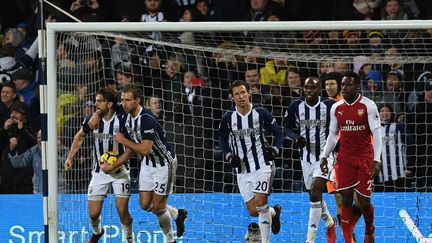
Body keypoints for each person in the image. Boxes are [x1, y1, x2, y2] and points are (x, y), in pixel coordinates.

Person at [101, 85, 187, 242]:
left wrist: (123, 140)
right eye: (122, 100)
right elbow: (130, 151)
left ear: (137, 100)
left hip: (164, 164)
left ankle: (170, 239)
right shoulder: (124, 114)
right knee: (145, 205)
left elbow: (145, 149)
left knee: (159, 207)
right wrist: (112, 166)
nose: (124, 103)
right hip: (147, 164)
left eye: (127, 100)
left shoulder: (147, 119)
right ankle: (176, 214)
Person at [63, 88, 134, 243]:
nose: (96, 103)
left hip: (120, 171)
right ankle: (98, 231)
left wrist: (116, 164)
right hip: (99, 172)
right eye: (96, 100)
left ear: (109, 104)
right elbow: (79, 136)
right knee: (93, 214)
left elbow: (131, 148)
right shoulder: (92, 120)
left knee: (122, 210)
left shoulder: (123, 119)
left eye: (99, 101)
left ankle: (129, 239)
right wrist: (70, 157)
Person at [320, 71, 382, 242]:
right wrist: (324, 156)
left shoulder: (368, 106)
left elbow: (377, 135)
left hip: (364, 158)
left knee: (362, 202)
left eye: (348, 84)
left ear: (357, 86)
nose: (344, 88)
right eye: (343, 85)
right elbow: (333, 135)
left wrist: (377, 160)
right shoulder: (336, 108)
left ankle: (369, 229)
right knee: (344, 198)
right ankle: (349, 240)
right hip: (344, 159)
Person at [218, 80, 283, 243]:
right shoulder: (228, 118)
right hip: (242, 170)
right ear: (232, 97)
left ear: (249, 93)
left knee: (261, 203)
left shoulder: (261, 113)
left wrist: (275, 149)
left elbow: (278, 133)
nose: (241, 96)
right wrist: (228, 155)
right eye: (237, 94)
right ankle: (273, 213)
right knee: (254, 211)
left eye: (243, 92)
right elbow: (222, 139)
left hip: (263, 165)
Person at [284, 76, 337, 243]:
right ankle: (329, 220)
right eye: (306, 87)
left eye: (313, 88)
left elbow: (337, 130)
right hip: (305, 158)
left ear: (319, 89)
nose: (309, 90)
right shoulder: (295, 106)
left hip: (325, 157)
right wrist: (295, 137)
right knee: (314, 196)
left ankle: (310, 239)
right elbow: (287, 127)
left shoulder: (329, 106)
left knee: (315, 192)